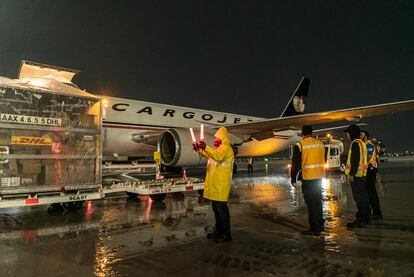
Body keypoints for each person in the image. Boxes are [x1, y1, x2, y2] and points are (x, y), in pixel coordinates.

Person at [192, 127, 234, 243]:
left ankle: (226, 234)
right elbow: (210, 155)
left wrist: (205, 147)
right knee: (216, 209)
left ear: (222, 138)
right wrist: (199, 150)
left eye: (216, 138)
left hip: (221, 184)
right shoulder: (218, 149)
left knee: (221, 209)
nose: (215, 140)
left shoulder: (226, 148)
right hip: (216, 184)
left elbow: (217, 156)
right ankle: (219, 231)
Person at [291, 125, 326, 236]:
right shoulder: (320, 143)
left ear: (302, 133)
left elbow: (295, 164)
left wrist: (293, 178)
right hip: (319, 177)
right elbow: (324, 159)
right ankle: (320, 225)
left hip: (308, 178)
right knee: (317, 201)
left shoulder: (300, 145)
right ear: (312, 132)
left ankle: (314, 229)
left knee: (311, 204)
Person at [344, 124, 369, 228]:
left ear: (352, 133)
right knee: (363, 197)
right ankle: (364, 218)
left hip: (357, 176)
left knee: (359, 199)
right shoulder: (362, 143)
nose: (347, 136)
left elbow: (355, 159)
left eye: (348, 133)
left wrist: (351, 174)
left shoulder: (355, 143)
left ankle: (361, 220)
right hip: (362, 175)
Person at [360, 130, 383, 220]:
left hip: (370, 170)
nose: (359, 136)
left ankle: (377, 212)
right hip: (366, 170)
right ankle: (369, 211)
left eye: (361, 135)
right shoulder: (363, 145)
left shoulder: (369, 145)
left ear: (365, 136)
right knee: (367, 192)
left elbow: (368, 157)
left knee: (371, 191)